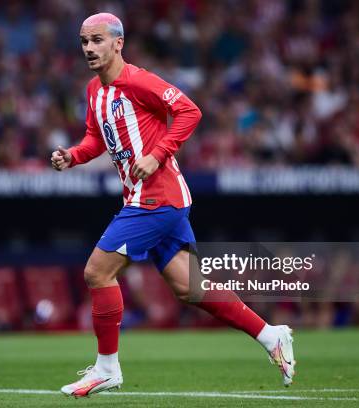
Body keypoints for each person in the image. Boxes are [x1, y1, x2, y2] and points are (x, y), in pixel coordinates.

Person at [51, 12, 296, 398]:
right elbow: (96, 138)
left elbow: (190, 111)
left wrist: (157, 154)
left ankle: (107, 368)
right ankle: (271, 335)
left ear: (118, 43)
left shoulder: (139, 81)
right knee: (189, 288)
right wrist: (74, 156)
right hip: (149, 198)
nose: (89, 48)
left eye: (97, 40)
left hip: (157, 198)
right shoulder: (95, 91)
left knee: (97, 272)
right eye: (84, 42)